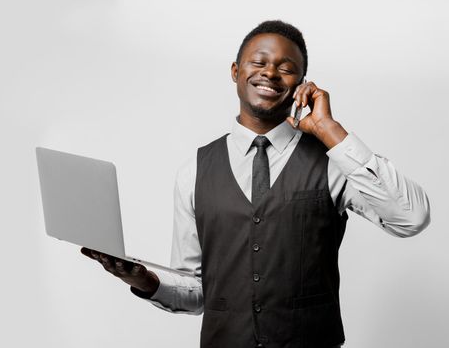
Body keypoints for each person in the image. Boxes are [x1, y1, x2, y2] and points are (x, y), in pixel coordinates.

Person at [81, 20, 430, 348]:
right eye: (258, 62)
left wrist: (329, 130)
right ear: (236, 72)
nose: (270, 73)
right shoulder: (195, 170)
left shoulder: (332, 162)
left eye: (286, 67)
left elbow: (410, 217)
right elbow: (198, 292)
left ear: (302, 83)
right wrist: (144, 280)